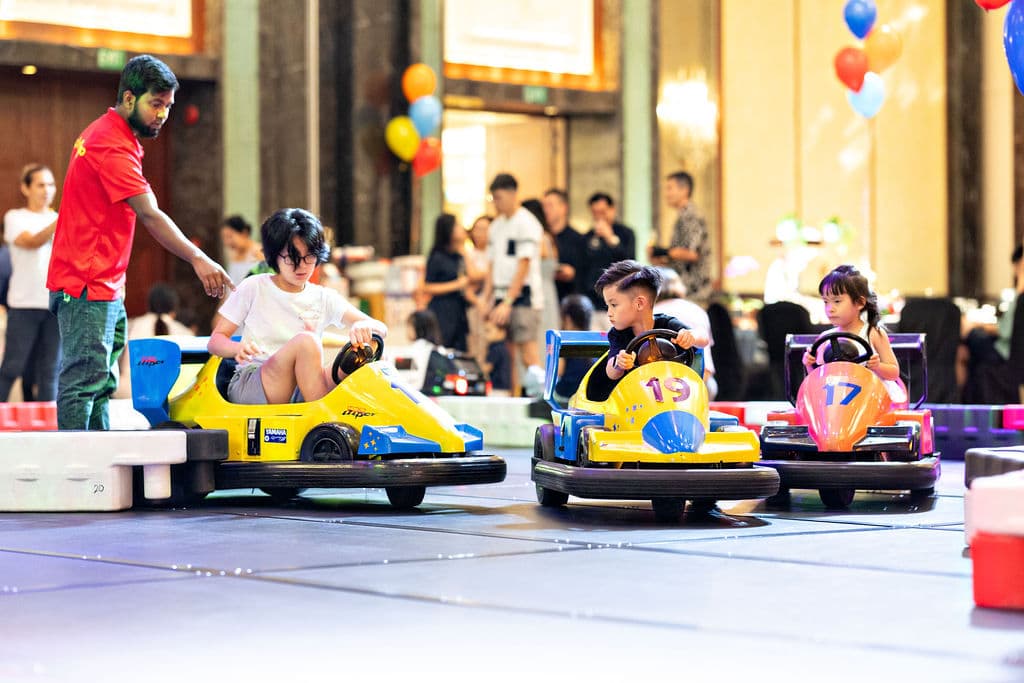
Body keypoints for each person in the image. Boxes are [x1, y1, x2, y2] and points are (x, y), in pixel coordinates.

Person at [47, 55, 233, 430]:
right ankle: (80, 478)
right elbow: (150, 214)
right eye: (156, 104)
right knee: (84, 382)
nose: (163, 114)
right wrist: (199, 258)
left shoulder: (112, 134)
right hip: (86, 283)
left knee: (102, 382)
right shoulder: (110, 144)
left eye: (168, 106)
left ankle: (98, 470)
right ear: (129, 98)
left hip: (104, 283)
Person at [209, 208, 387, 404]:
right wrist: (237, 348)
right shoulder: (255, 286)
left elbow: (380, 328)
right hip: (255, 381)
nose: (301, 266)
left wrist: (364, 325)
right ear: (274, 256)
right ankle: (319, 416)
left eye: (309, 257)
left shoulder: (323, 296)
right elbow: (215, 341)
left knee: (362, 351)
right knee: (307, 342)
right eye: (291, 257)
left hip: (303, 385)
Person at [590, 260, 708, 398]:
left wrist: (691, 336)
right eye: (608, 306)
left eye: (614, 305)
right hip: (637, 400)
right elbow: (611, 372)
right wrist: (619, 363)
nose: (609, 313)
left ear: (639, 303)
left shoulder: (667, 324)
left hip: (675, 396)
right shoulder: (618, 334)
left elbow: (703, 338)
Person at [0, 164, 61, 402]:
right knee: (12, 368)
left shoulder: (58, 218)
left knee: (50, 371)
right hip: (23, 305)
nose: (47, 190)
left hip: (55, 305)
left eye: (51, 185)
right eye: (40, 185)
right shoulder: (15, 217)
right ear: (25, 188)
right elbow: (32, 241)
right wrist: (61, 221)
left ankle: (51, 430)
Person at [483, 173, 544, 397]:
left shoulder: (527, 223)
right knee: (505, 354)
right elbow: (491, 266)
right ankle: (511, 399)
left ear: (511, 194)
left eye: (498, 197)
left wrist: (508, 301)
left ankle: (541, 401)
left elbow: (523, 266)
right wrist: (486, 298)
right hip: (500, 295)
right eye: (493, 199)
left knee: (528, 352)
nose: (496, 203)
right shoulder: (496, 226)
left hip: (523, 296)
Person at [802, 265, 900, 382]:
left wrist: (878, 366)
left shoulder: (872, 333)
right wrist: (809, 364)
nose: (830, 308)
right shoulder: (825, 338)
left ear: (859, 302)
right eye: (826, 302)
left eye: (837, 301)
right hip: (835, 397)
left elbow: (894, 373)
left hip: (869, 396)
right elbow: (819, 379)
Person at [963, 244, 1024, 402]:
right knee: (974, 359)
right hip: (1005, 349)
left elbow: (1006, 330)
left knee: (971, 337)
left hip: (1006, 351)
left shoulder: (1021, 296)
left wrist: (979, 326)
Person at [115, 282, 194, 399]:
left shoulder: (130, 326)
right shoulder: (186, 334)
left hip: (130, 393)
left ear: (149, 305)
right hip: (174, 396)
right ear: (174, 308)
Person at [653, 267, 718, 400]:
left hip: (657, 388)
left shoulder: (651, 313)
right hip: (700, 382)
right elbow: (707, 362)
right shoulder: (697, 310)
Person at [420, 213, 476, 352]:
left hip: (458, 309)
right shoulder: (437, 257)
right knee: (443, 347)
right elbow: (427, 286)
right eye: (457, 225)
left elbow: (473, 275)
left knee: (460, 350)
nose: (461, 228)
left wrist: (464, 250)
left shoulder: (459, 255)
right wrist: (456, 284)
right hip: (442, 310)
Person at [655, 171, 712, 304]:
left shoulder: (691, 215)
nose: (666, 194)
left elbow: (692, 254)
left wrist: (663, 251)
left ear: (684, 190)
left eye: (670, 188)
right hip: (684, 290)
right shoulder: (683, 215)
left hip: (694, 291)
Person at [578, 192, 637, 313]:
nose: (600, 217)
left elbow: (630, 262)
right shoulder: (587, 237)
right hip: (593, 300)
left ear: (612, 210)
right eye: (595, 213)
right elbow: (582, 268)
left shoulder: (626, 233)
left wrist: (611, 239)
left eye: (603, 212)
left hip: (620, 297)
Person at [522, 197, 559, 350]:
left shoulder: (537, 238)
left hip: (538, 291)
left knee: (539, 335)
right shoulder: (549, 237)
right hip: (549, 290)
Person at [542, 188, 585, 302]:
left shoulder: (578, 239)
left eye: (550, 205)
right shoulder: (541, 238)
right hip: (545, 298)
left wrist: (571, 273)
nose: (545, 210)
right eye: (544, 206)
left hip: (569, 299)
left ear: (563, 208)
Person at [553, 294, 596, 404]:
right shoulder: (596, 341)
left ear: (567, 319)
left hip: (566, 394)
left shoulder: (564, 341)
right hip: (588, 395)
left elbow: (558, 372)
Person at [221, 214, 265, 283]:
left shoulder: (260, 252)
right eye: (224, 238)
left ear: (244, 233)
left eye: (230, 236)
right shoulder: (232, 255)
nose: (227, 242)